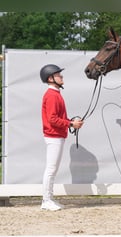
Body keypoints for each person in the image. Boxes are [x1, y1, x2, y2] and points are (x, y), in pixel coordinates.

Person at [40, 64, 83, 211]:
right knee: (51, 169)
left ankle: (49, 198)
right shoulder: (52, 95)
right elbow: (52, 119)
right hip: (54, 136)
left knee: (52, 169)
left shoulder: (55, 94)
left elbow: (58, 117)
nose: (61, 77)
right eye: (58, 75)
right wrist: (71, 123)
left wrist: (72, 122)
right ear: (50, 78)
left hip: (56, 135)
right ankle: (46, 200)